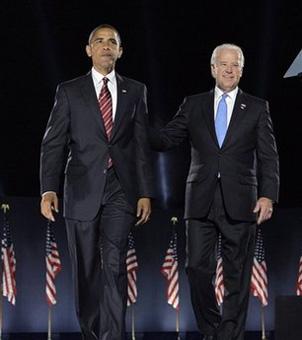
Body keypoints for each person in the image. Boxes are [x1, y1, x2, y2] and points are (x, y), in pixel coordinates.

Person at [150, 44, 279, 340]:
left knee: (238, 275)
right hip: (200, 201)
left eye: (235, 65)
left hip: (242, 201)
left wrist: (267, 195)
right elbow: (167, 138)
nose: (229, 69)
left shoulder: (257, 107)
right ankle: (211, 329)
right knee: (196, 267)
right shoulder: (193, 104)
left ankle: (229, 335)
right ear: (213, 68)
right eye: (223, 64)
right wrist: (137, 125)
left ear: (242, 70)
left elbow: (269, 156)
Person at [40, 24, 154, 340]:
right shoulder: (69, 91)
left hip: (121, 189)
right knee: (87, 271)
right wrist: (48, 188)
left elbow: (141, 145)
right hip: (80, 191)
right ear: (89, 50)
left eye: (112, 42)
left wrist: (145, 191)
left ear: (120, 51)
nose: (106, 46)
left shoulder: (136, 90)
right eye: (99, 41)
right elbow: (53, 143)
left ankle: (112, 336)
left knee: (115, 266)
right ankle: (91, 333)